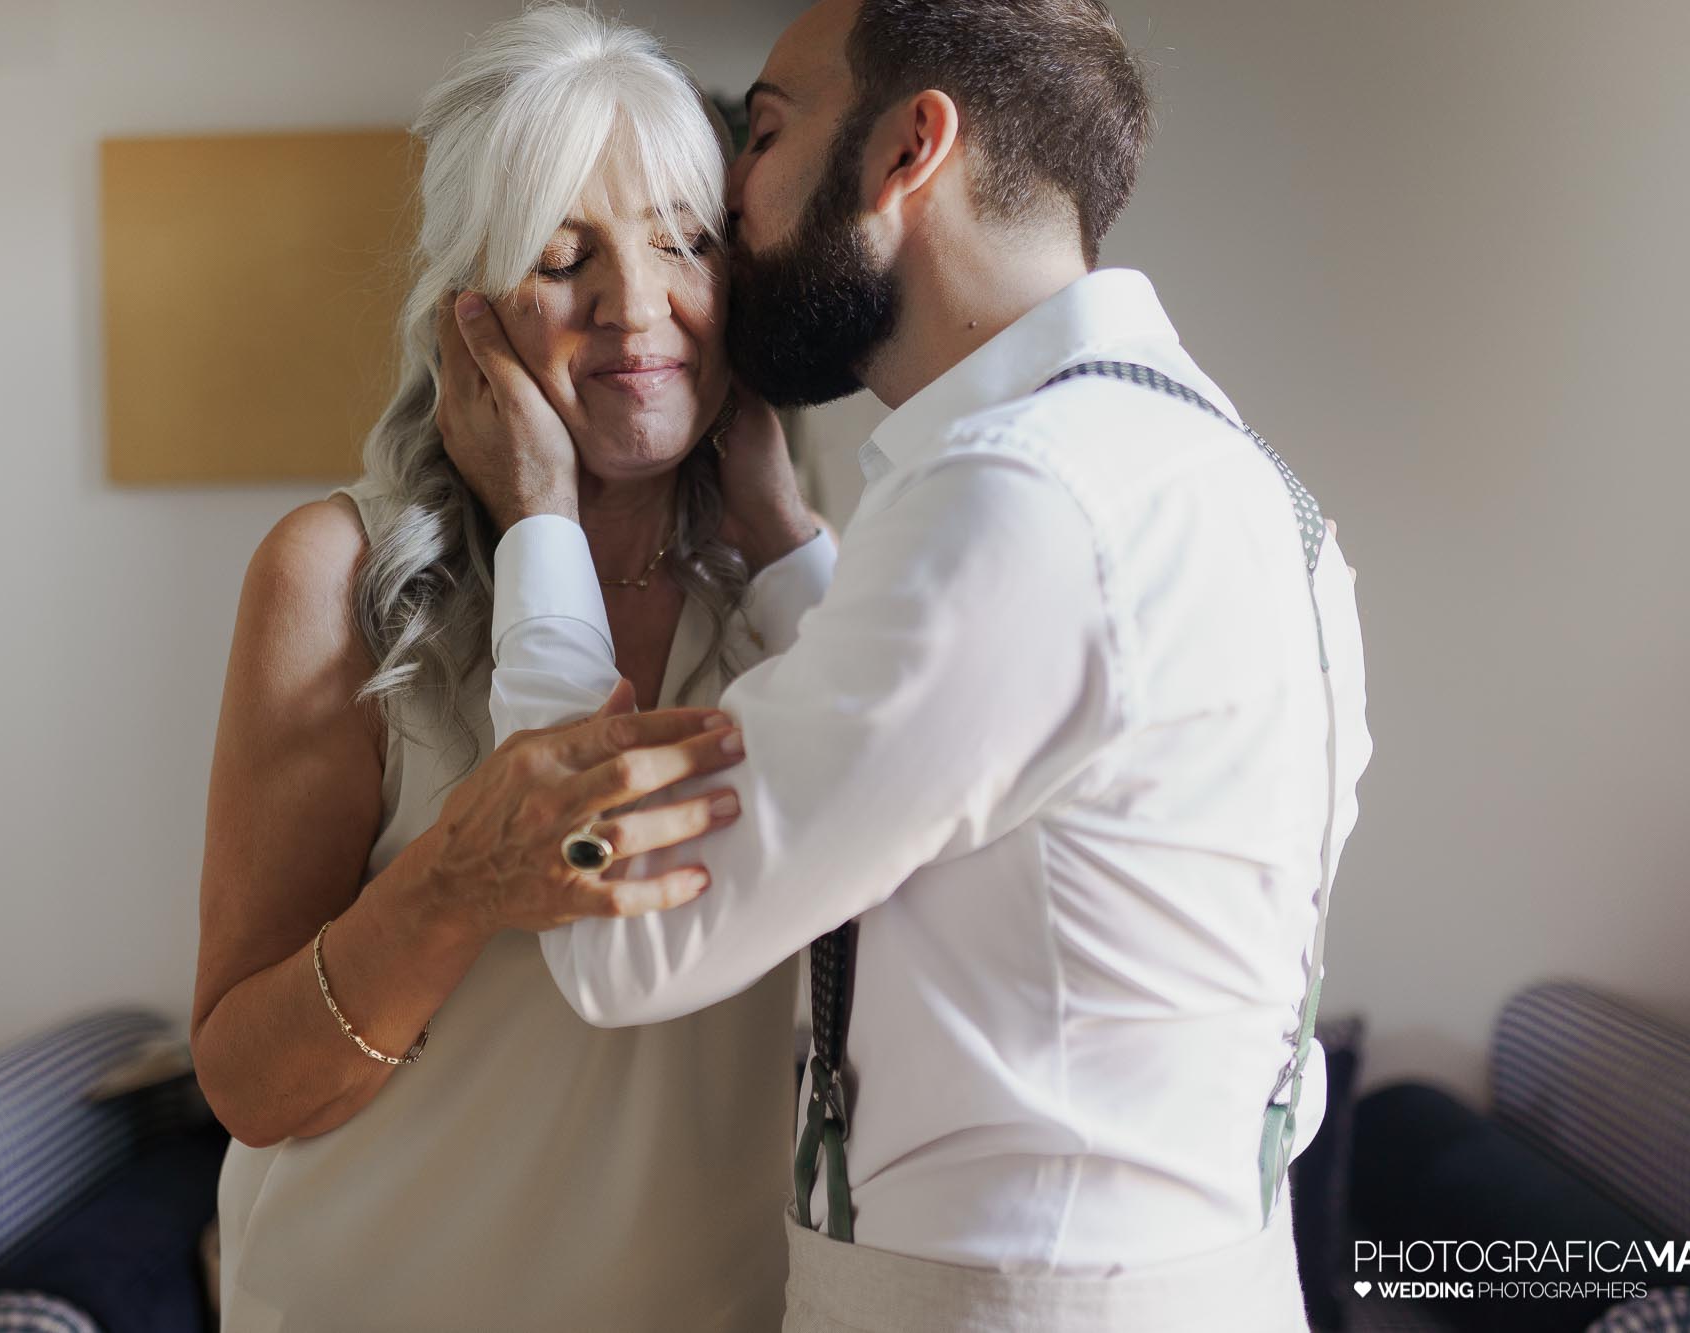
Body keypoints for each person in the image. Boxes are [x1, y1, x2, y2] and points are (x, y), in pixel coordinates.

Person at [440, 0, 1375, 1328]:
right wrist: (780, 536)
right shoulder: (1238, 482)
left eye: (765, 135)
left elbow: (616, 930)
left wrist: (539, 519)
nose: (733, 196)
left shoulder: (1020, 503)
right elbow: (944, 758)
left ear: (904, 152)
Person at [189, 7, 831, 1329]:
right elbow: (249, 1082)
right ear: (468, 314)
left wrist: (786, 530)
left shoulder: (799, 596)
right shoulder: (333, 577)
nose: (637, 306)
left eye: (683, 241)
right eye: (563, 254)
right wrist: (456, 881)